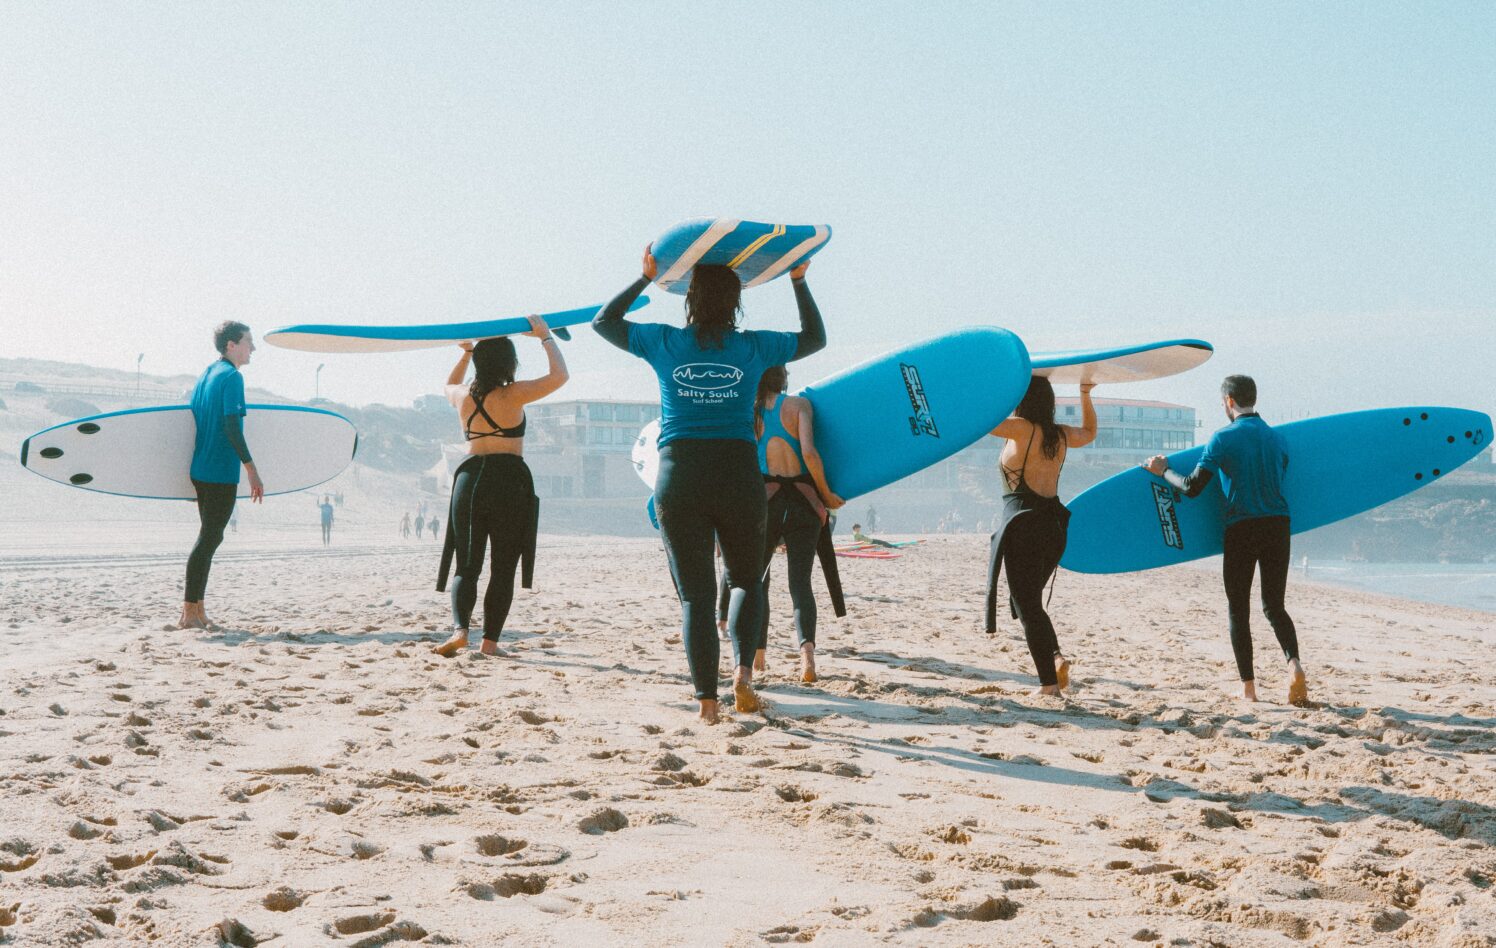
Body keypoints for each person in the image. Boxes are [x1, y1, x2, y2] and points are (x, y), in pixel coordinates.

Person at [594, 246, 826, 723]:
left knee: (696, 597)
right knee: (745, 579)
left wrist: (643, 278)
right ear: (737, 302)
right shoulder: (754, 347)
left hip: (679, 473)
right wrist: (798, 280)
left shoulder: (663, 342)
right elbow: (815, 339)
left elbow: (604, 322)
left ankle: (706, 704)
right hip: (738, 472)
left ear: (689, 299)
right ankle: (742, 676)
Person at [1144, 375, 1307, 705]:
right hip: (1278, 525)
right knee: (1274, 606)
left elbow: (1191, 487)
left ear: (1229, 402)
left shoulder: (1222, 439)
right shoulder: (1278, 439)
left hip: (1242, 528)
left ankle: (1248, 688)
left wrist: (1162, 471)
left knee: (1239, 610)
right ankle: (1295, 666)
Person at [431, 316, 566, 657]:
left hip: (470, 479)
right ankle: (490, 642)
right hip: (508, 481)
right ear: (510, 363)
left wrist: (465, 353)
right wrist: (545, 337)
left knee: (467, 564)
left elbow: (448, 385)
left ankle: (460, 630)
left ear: (479, 363)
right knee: (503, 566)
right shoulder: (516, 394)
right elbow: (560, 376)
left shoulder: (462, 396)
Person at [986, 377, 1096, 695]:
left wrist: (1005, 384)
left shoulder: (1021, 428)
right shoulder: (1058, 434)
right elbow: (1089, 433)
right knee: (1028, 603)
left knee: (1028, 606)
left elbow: (985, 422)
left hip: (1024, 526)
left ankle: (1049, 685)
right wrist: (1085, 393)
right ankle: (1055, 656)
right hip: (1054, 528)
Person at [752, 365, 845, 683]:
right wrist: (827, 495)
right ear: (784, 378)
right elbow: (809, 453)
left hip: (766, 503)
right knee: (800, 585)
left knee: (757, 581)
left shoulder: (749, 412)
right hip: (804, 503)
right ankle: (807, 662)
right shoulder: (800, 406)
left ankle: (757, 656)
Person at [180, 321, 264, 630]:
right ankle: (189, 611)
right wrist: (252, 471)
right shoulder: (232, 377)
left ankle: (197, 609)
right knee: (209, 538)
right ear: (231, 345)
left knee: (210, 536)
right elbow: (231, 426)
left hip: (201, 469)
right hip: (219, 471)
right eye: (248, 342)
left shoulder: (206, 375)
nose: (252, 348)